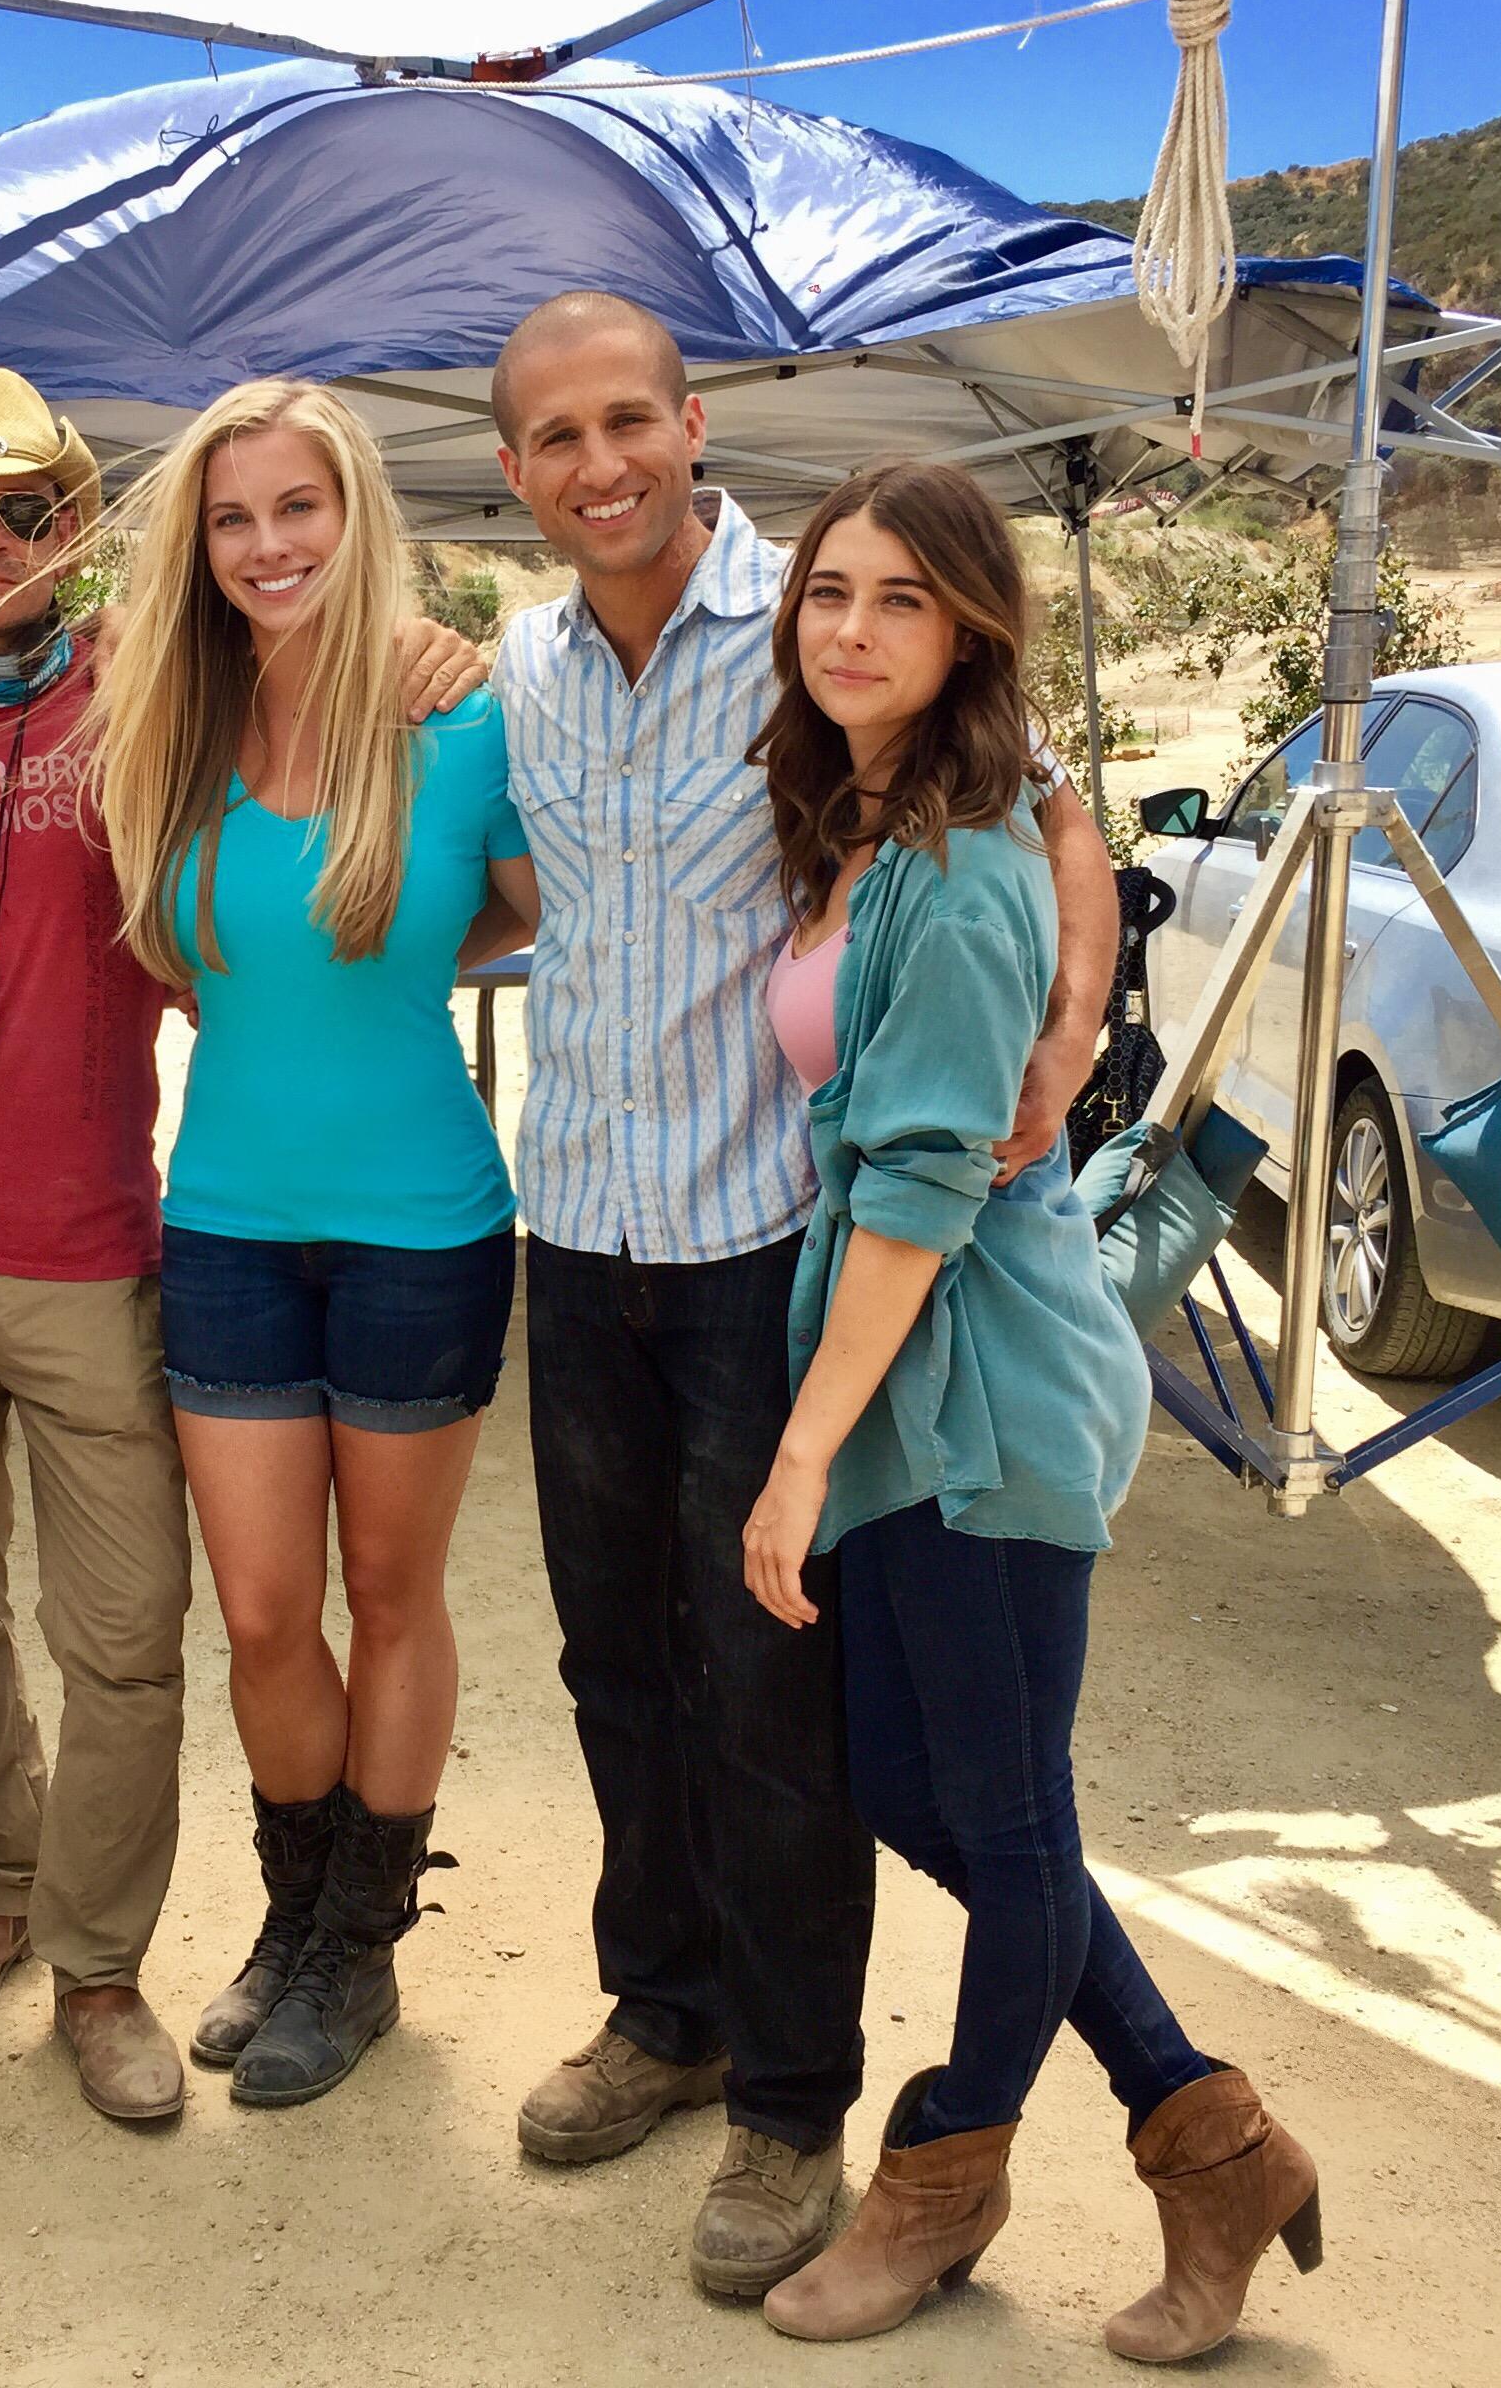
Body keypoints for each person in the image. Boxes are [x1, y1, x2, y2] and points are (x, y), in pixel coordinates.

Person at [485, 291, 1120, 2297]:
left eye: (628, 422)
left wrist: (1075, 1019)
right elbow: (520, 886)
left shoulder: (818, 616)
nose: (600, 464)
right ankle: (661, 2012)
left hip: (767, 1239)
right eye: (555, 437)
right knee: (614, 1666)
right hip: (576, 1233)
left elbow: (1051, 798)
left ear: (689, 424)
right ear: (514, 470)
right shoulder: (513, 668)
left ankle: (787, 2097)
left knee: (769, 1692)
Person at [0, 368, 491, 2125]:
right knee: (29, 1616)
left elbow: (574, 879)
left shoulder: (206, 702)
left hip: (149, 1230)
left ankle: (157, 1960)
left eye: (34, 507)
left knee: (185, 1627)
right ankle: (42, 1901)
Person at [735, 460, 1317, 2363]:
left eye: (900, 600)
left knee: (997, 1800)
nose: (850, 627)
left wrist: (800, 1451)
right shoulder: (889, 823)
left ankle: (944, 2180)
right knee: (931, 1791)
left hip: (978, 1390)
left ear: (968, 627)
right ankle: (1210, 2134)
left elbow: (915, 1185)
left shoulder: (967, 865)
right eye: (830, 590)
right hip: (918, 1387)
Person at [84, 378, 537, 2109]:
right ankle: (295, 1917)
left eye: (300, 508)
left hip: (425, 1227)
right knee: (266, 1610)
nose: (269, 545)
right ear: (198, 546)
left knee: (390, 1595)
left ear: (357, 521)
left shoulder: (461, 721)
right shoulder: (167, 727)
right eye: (232, 516)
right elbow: (195, 961)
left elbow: (523, 902)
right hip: (228, 1225)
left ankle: (357, 1955)